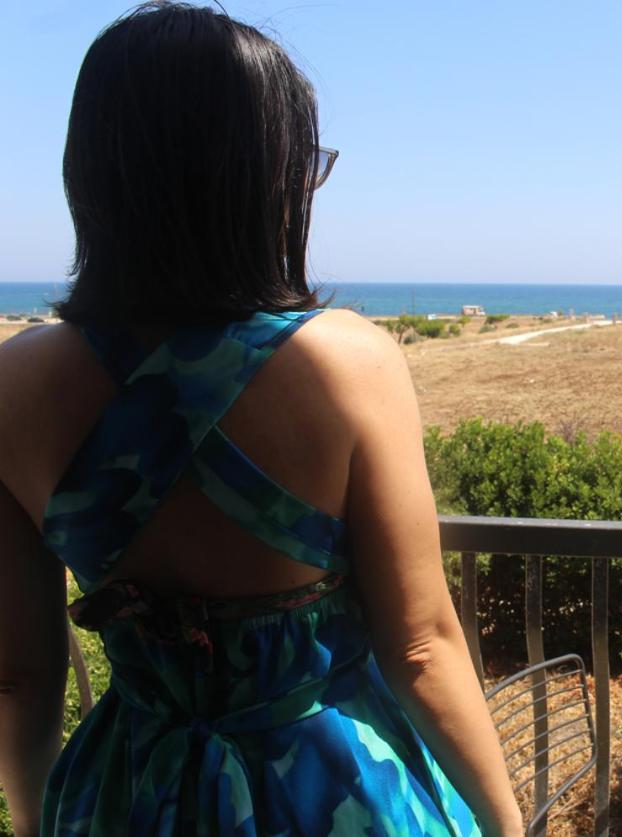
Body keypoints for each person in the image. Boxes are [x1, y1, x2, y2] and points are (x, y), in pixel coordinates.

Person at [0, 3, 521, 835]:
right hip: (333, 793)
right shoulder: (349, 363)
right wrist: (507, 824)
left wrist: (36, 821)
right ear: (258, 177)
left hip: (129, 794)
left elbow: (21, 678)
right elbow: (422, 646)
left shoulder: (15, 384)